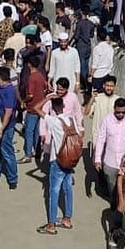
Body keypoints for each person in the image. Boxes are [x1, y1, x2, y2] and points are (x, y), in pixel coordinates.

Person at [38, 97, 77, 236]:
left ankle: (51, 224)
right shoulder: (71, 120)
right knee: (68, 189)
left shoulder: (53, 121)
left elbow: (36, 109)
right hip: (70, 159)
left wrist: (47, 98)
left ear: (53, 108)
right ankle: (67, 219)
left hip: (57, 159)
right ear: (64, 105)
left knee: (53, 193)